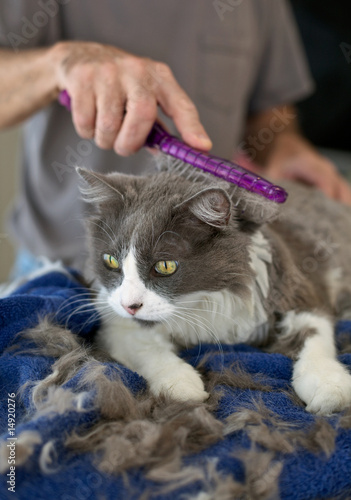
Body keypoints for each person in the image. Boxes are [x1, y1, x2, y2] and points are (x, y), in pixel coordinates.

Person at [0, 0, 350, 276]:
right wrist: (56, 64)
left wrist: (284, 143)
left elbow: (272, 110)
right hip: (60, 272)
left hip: (201, 284)